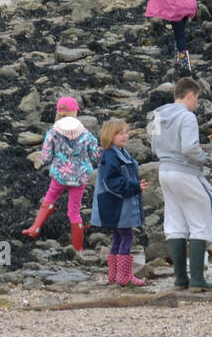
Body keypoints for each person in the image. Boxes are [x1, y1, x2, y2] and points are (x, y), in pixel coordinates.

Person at [151, 77, 212, 291]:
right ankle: (197, 279)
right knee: (201, 219)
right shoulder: (187, 117)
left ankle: (180, 279)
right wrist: (203, 157)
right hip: (185, 171)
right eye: (196, 99)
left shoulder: (158, 114)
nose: (196, 104)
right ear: (190, 95)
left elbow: (153, 144)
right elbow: (189, 147)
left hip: (165, 170)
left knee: (175, 222)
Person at [23, 96, 101, 251]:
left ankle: (35, 228)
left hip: (60, 175)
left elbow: (45, 157)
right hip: (80, 177)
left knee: (50, 198)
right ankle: (78, 248)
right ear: (76, 112)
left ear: (58, 112)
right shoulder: (86, 134)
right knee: (74, 211)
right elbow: (95, 155)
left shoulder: (53, 132)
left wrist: (55, 160)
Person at [91, 119, 148, 287]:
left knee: (117, 236)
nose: (125, 136)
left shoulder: (119, 152)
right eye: (120, 133)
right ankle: (124, 277)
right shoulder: (112, 155)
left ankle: (114, 275)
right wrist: (135, 186)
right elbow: (112, 182)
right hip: (117, 205)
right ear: (110, 136)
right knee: (126, 236)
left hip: (115, 205)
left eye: (126, 132)